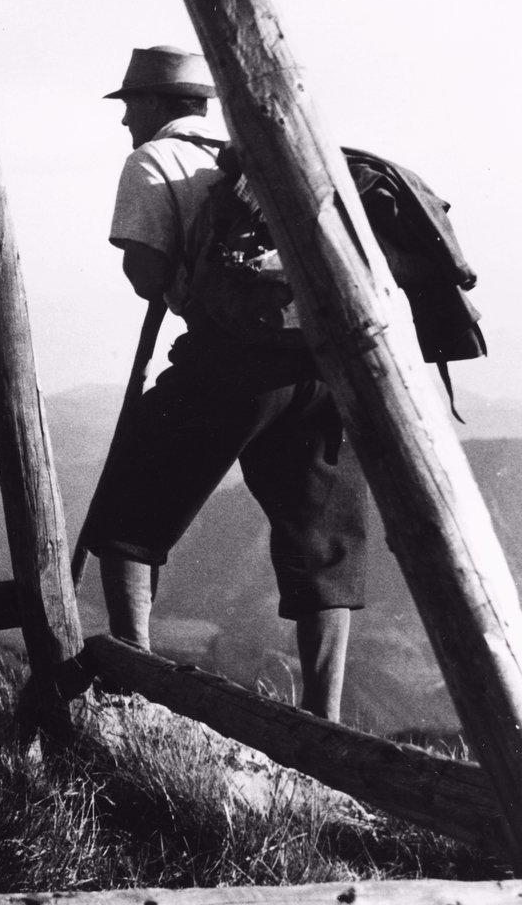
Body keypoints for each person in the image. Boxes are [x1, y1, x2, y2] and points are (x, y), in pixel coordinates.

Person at [81, 46, 368, 720]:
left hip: (237, 360)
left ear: (153, 104)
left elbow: (148, 277)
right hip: (325, 364)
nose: (126, 122)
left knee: (126, 503)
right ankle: (324, 724)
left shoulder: (154, 159)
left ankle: (136, 684)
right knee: (321, 543)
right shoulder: (254, 157)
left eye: (130, 107)